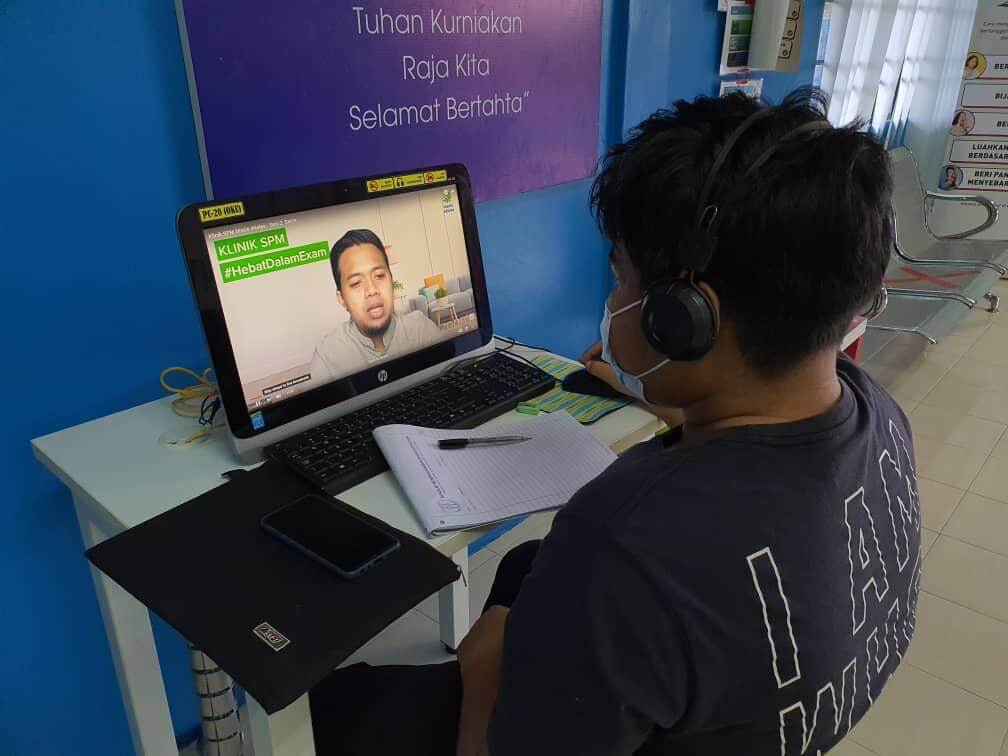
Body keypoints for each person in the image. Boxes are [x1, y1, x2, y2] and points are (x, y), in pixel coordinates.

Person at [311, 89, 920, 755]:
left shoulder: (625, 542)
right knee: (524, 561)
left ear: (686, 317)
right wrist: (653, 394)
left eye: (621, 276)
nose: (614, 299)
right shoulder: (874, 410)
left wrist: (485, 667)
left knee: (345, 703)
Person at [309, 229, 444, 381]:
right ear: (342, 299)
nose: (372, 290)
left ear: (392, 282)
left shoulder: (420, 329)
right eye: (356, 283)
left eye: (379, 276)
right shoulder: (328, 356)